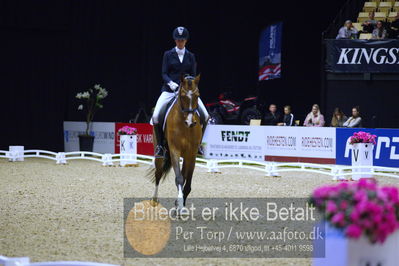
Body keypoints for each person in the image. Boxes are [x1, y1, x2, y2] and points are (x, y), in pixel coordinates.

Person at [151, 26, 209, 157]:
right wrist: (172, 84)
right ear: (175, 40)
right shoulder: (168, 54)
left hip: (187, 92)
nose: (180, 42)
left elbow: (193, 75)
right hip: (169, 90)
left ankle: (199, 144)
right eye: (178, 40)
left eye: (182, 40)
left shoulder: (191, 56)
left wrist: (188, 86)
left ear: (186, 41)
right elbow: (164, 73)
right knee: (155, 116)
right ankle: (160, 146)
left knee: (205, 116)